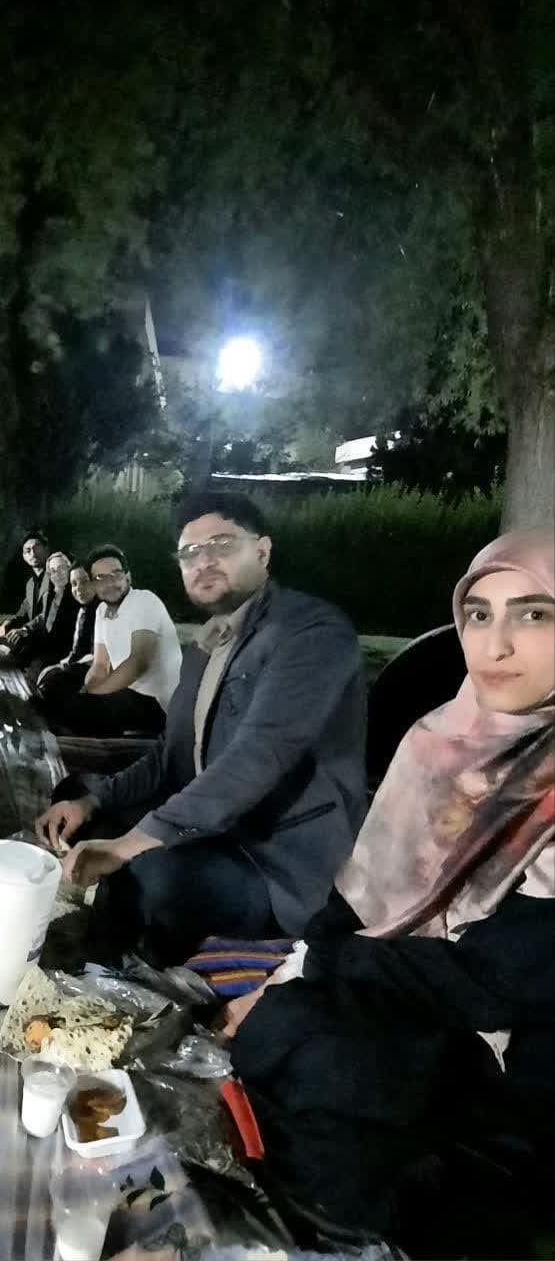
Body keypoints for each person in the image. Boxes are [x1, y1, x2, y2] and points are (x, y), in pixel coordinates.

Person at [225, 528, 555, 1247]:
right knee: (272, 1028)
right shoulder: (438, 740)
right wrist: (294, 970)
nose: (495, 645)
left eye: (533, 615)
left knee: (329, 1073)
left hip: (511, 1042)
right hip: (407, 978)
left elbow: (507, 975)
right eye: (478, 615)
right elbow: (357, 894)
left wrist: (329, 967)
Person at [36, 495, 365, 964]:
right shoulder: (209, 642)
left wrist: (127, 846)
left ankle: (108, 962)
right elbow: (168, 754)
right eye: (190, 553)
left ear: (263, 551)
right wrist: (92, 800)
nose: (203, 561)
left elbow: (257, 758)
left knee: (150, 876)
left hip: (272, 860)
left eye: (222, 545)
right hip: (205, 828)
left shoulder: (310, 633)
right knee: (82, 805)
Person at [61, 543, 182, 736]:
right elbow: (100, 665)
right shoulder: (101, 611)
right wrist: (88, 689)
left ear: (128, 577)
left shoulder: (145, 600)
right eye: (100, 578)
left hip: (159, 704)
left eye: (115, 575)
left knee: (78, 710)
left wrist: (96, 694)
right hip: (128, 695)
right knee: (62, 690)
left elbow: (138, 662)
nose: (108, 584)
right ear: (94, 584)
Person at [36, 561, 99, 714]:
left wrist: (63, 667)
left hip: (98, 671)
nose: (79, 589)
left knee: (51, 686)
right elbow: (76, 652)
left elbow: (98, 657)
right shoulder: (83, 610)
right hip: (80, 665)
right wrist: (58, 665)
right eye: (74, 584)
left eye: (85, 581)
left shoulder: (103, 611)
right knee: (44, 677)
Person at [10, 550, 79, 671]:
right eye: (52, 571)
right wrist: (25, 629)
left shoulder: (76, 595)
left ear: (70, 569)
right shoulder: (50, 593)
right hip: (45, 643)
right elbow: (44, 616)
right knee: (13, 655)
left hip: (62, 651)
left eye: (61, 568)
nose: (57, 574)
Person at [0, 530, 51, 639]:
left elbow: (49, 613)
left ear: (47, 550)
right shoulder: (30, 584)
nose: (33, 553)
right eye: (28, 550)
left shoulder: (56, 578)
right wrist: (8, 623)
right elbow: (23, 613)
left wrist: (25, 629)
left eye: (37, 547)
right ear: (24, 557)